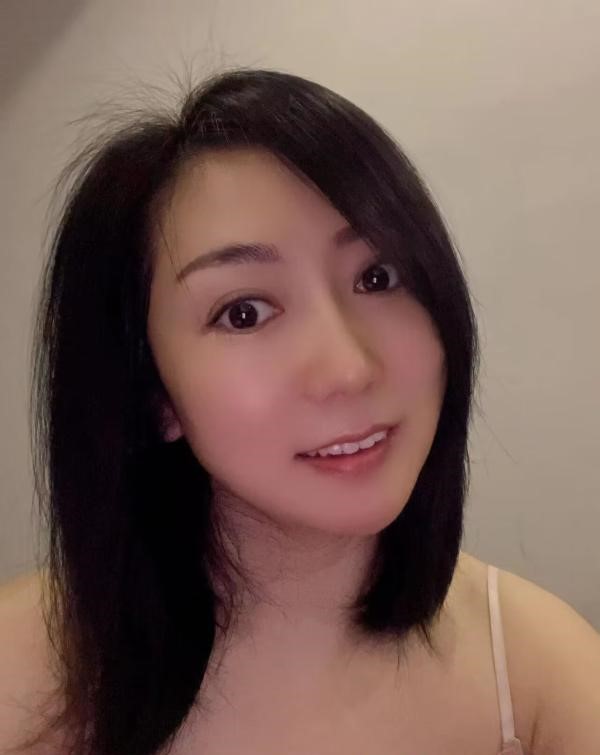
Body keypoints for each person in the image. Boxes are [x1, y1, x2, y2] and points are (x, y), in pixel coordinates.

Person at [0, 67, 598, 755]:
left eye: (378, 277)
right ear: (151, 392)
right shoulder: (21, 680)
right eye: (244, 312)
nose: (349, 368)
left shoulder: (539, 676)